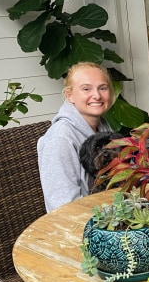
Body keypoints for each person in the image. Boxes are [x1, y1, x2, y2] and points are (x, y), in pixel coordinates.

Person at [38, 62, 115, 212]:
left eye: (103, 88)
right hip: (79, 224)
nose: (97, 95)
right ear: (70, 95)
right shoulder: (60, 139)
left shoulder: (103, 127)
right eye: (86, 89)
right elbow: (64, 208)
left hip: (111, 211)